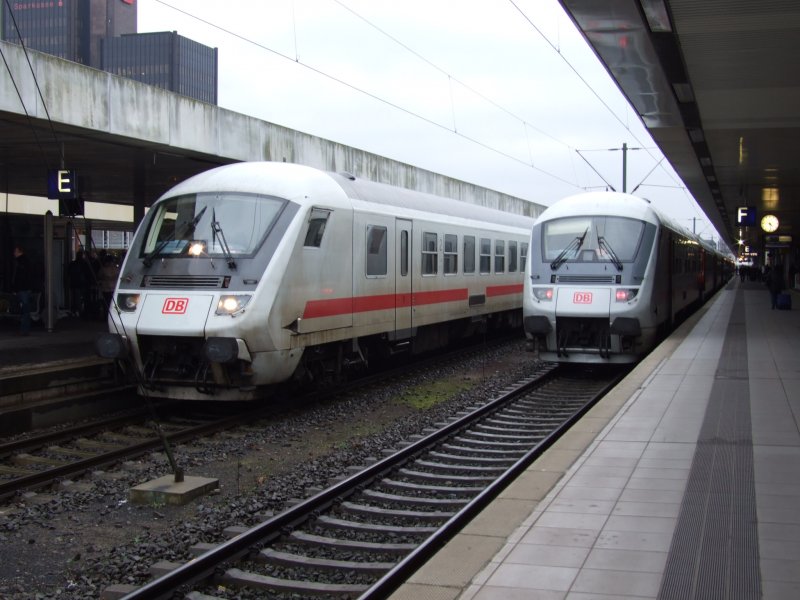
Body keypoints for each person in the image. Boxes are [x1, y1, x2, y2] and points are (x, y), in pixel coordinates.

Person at [11, 245, 34, 335]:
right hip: (25, 288)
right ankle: (24, 329)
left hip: (22, 289)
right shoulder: (26, 262)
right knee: (25, 310)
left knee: (24, 310)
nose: (14, 253)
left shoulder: (19, 263)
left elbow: (18, 277)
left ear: (20, 252)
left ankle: (24, 330)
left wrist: (15, 288)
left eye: (15, 251)